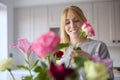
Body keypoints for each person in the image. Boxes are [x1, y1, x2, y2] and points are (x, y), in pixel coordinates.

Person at [60, 5, 114, 80]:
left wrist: (91, 61)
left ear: (83, 22)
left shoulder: (99, 46)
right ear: (64, 27)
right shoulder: (63, 50)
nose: (72, 25)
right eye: (67, 22)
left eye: (76, 20)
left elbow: (109, 78)